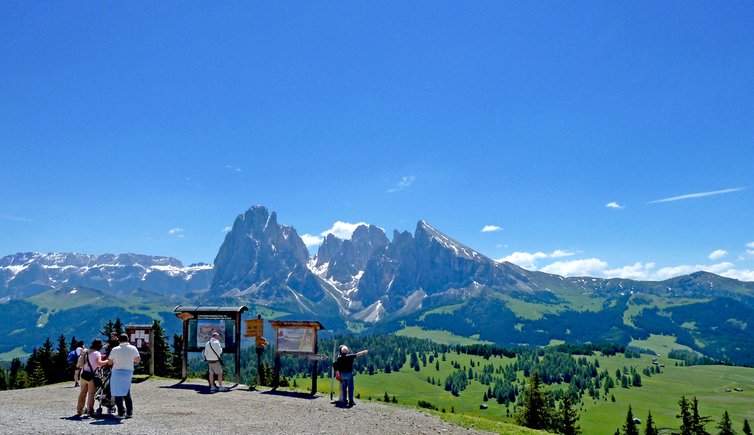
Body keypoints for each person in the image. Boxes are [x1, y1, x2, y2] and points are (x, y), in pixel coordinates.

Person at [107, 333, 141, 418]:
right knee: (127, 392)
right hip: (128, 372)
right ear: (128, 339)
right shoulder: (133, 348)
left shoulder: (115, 349)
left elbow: (110, 362)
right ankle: (129, 413)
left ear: (119, 340)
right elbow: (137, 360)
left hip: (117, 372)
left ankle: (121, 413)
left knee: (117, 392)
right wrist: (130, 359)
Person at [76, 339, 108, 418]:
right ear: (99, 346)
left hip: (83, 374)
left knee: (82, 393)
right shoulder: (97, 353)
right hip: (91, 376)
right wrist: (107, 361)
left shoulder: (87, 351)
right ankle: (90, 411)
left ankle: (80, 410)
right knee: (91, 394)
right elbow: (99, 364)